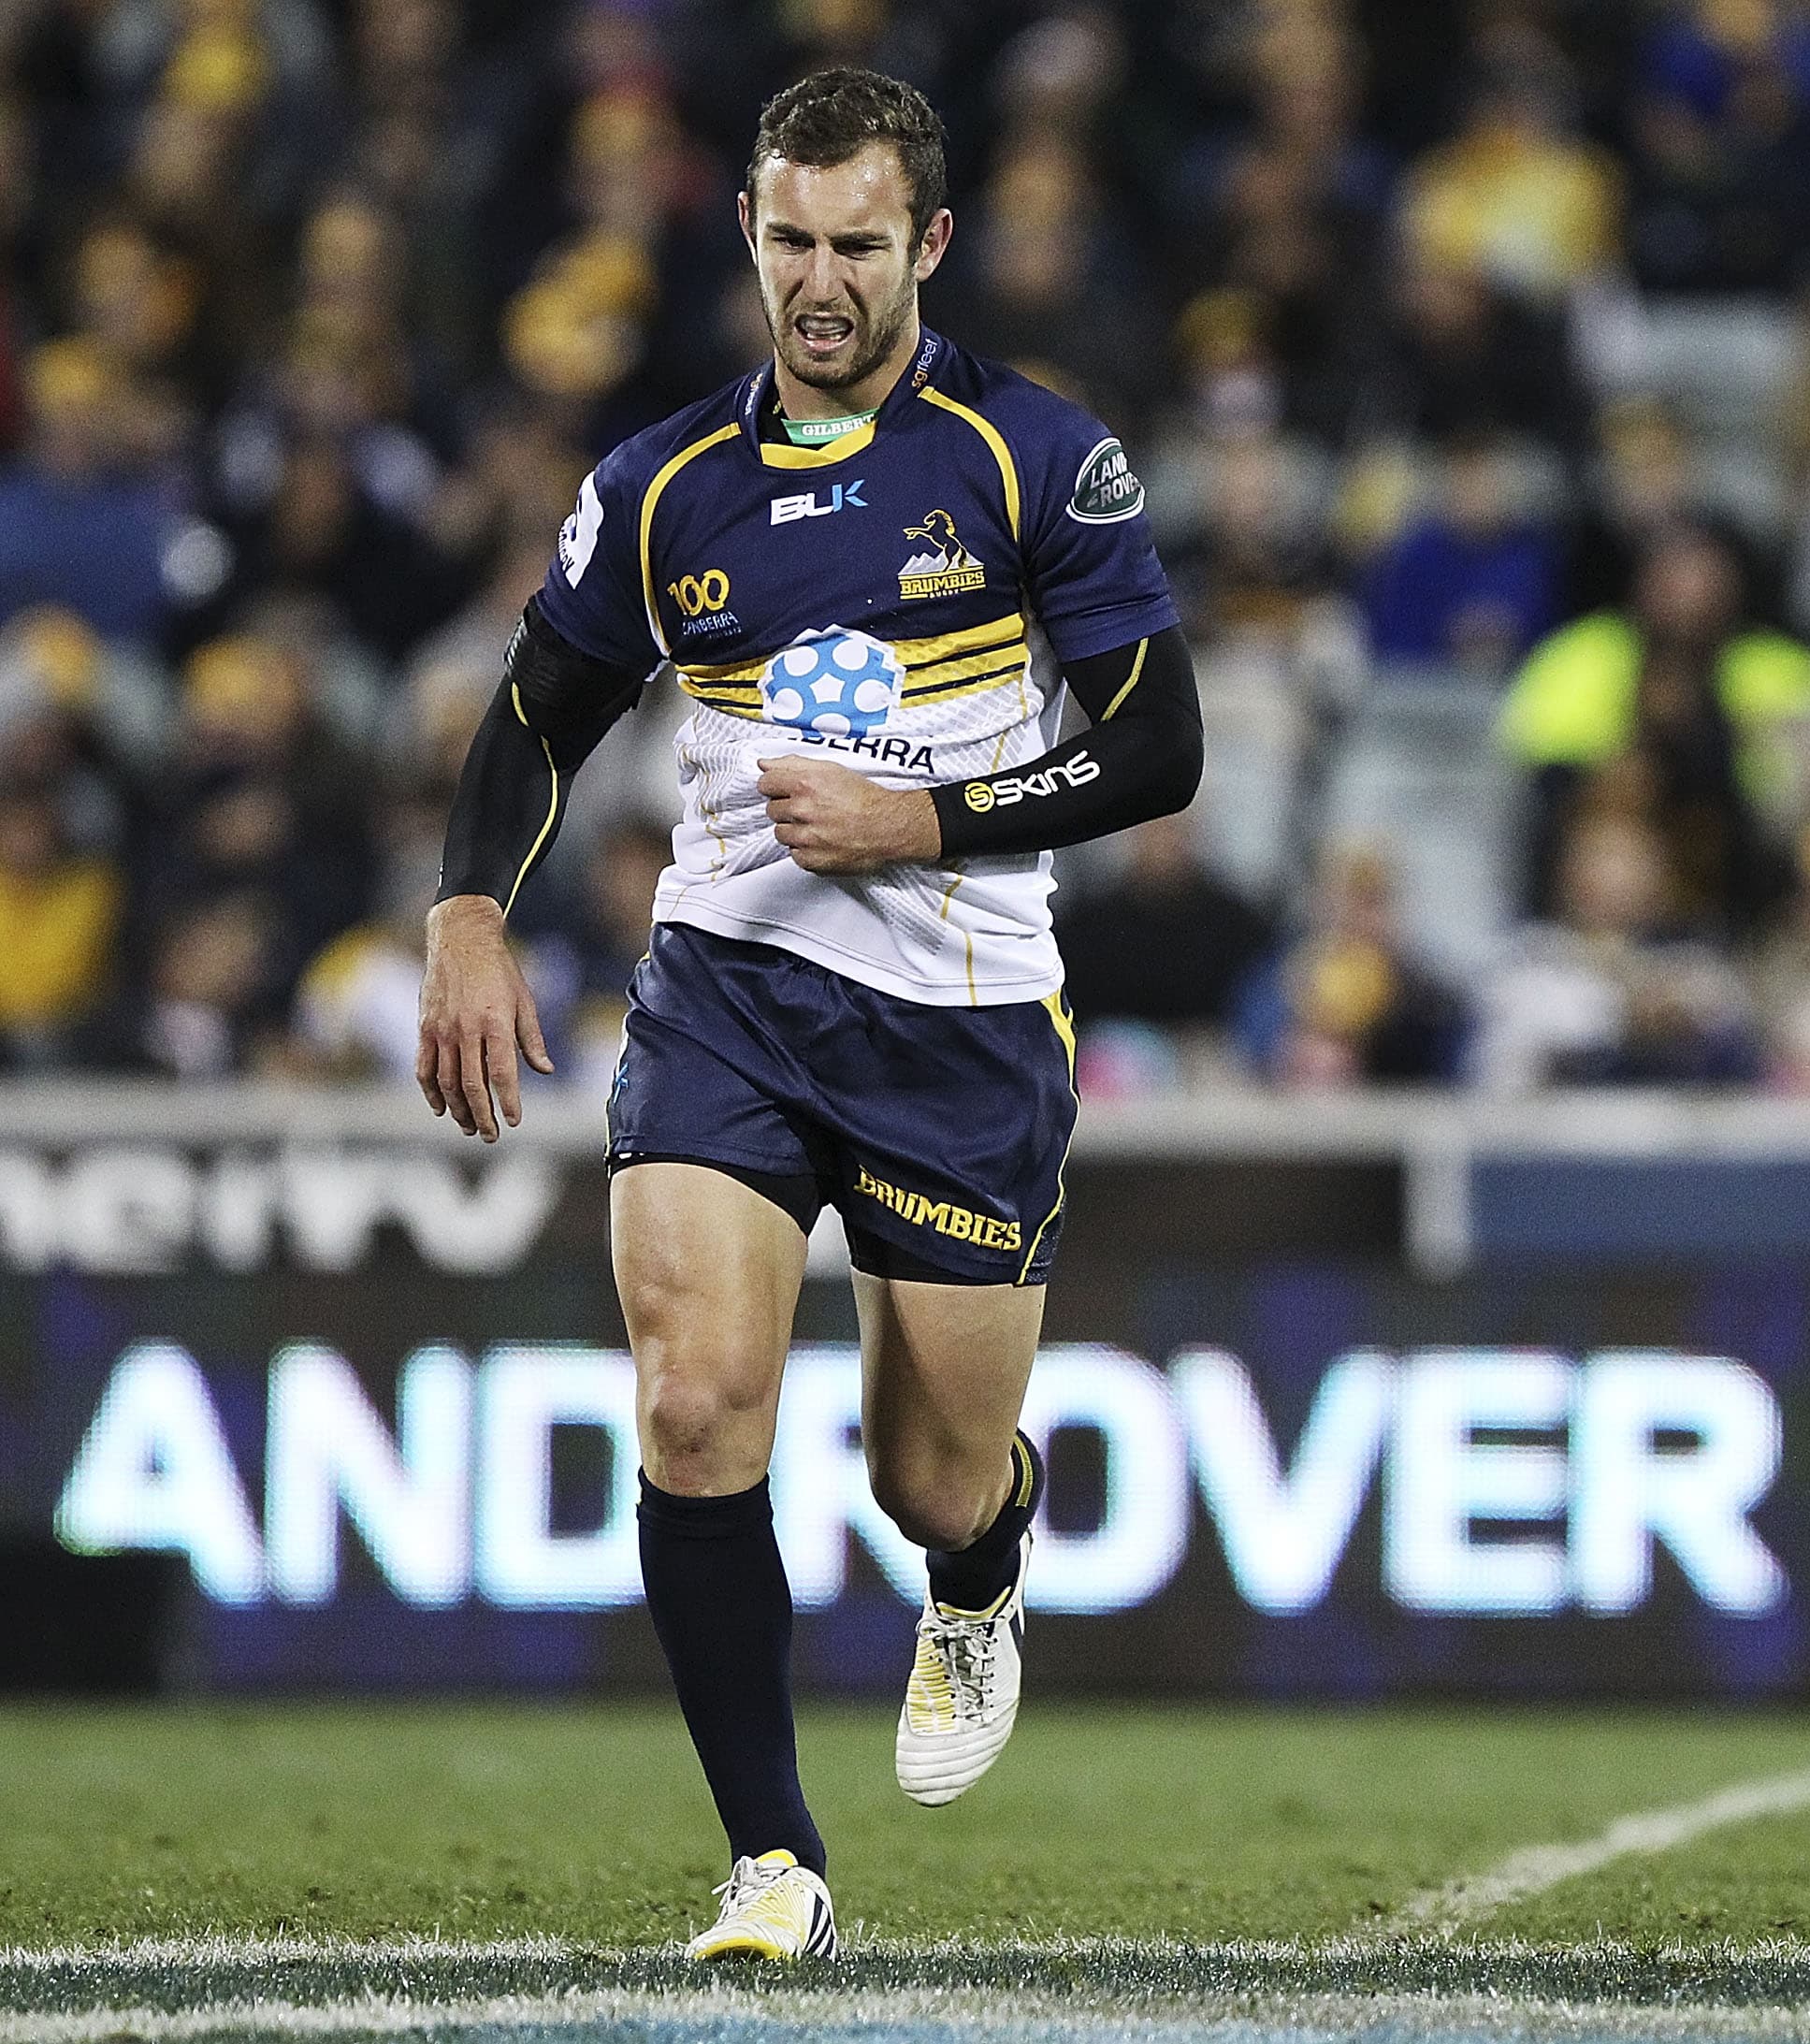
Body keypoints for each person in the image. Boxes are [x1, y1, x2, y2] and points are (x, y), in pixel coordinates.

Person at [413, 70, 1198, 1964]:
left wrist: (925, 816)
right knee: (692, 1404)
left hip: (962, 1015)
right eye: (791, 238)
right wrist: (462, 910)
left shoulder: (1029, 456)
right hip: (729, 996)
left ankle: (985, 1560)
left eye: (859, 241)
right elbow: (537, 715)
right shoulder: (664, 486)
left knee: (924, 1474)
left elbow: (1158, 746)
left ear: (928, 242)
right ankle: (772, 1856)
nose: (821, 279)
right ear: (747, 234)